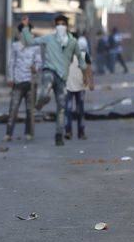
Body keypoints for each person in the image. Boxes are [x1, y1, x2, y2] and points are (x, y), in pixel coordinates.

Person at [21, 14, 92, 146]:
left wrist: (85, 76)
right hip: (49, 71)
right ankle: (41, 101)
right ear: (55, 26)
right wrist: (25, 28)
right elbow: (30, 42)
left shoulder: (73, 42)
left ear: (67, 26)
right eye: (58, 24)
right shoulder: (48, 38)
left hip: (62, 77)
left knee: (61, 108)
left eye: (63, 24)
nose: (60, 27)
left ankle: (59, 135)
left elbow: (81, 61)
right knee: (45, 90)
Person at [3, 23, 42, 142]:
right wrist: (10, 78)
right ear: (19, 33)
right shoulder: (15, 46)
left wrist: (36, 68)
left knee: (30, 110)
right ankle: (8, 133)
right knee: (13, 108)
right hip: (18, 82)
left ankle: (28, 133)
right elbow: (11, 63)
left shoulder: (35, 46)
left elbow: (39, 61)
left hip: (31, 82)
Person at [64, 50, 94, 140]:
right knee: (68, 110)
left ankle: (81, 132)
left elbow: (88, 68)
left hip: (80, 85)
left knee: (79, 110)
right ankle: (68, 132)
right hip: (68, 86)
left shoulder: (83, 54)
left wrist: (91, 82)